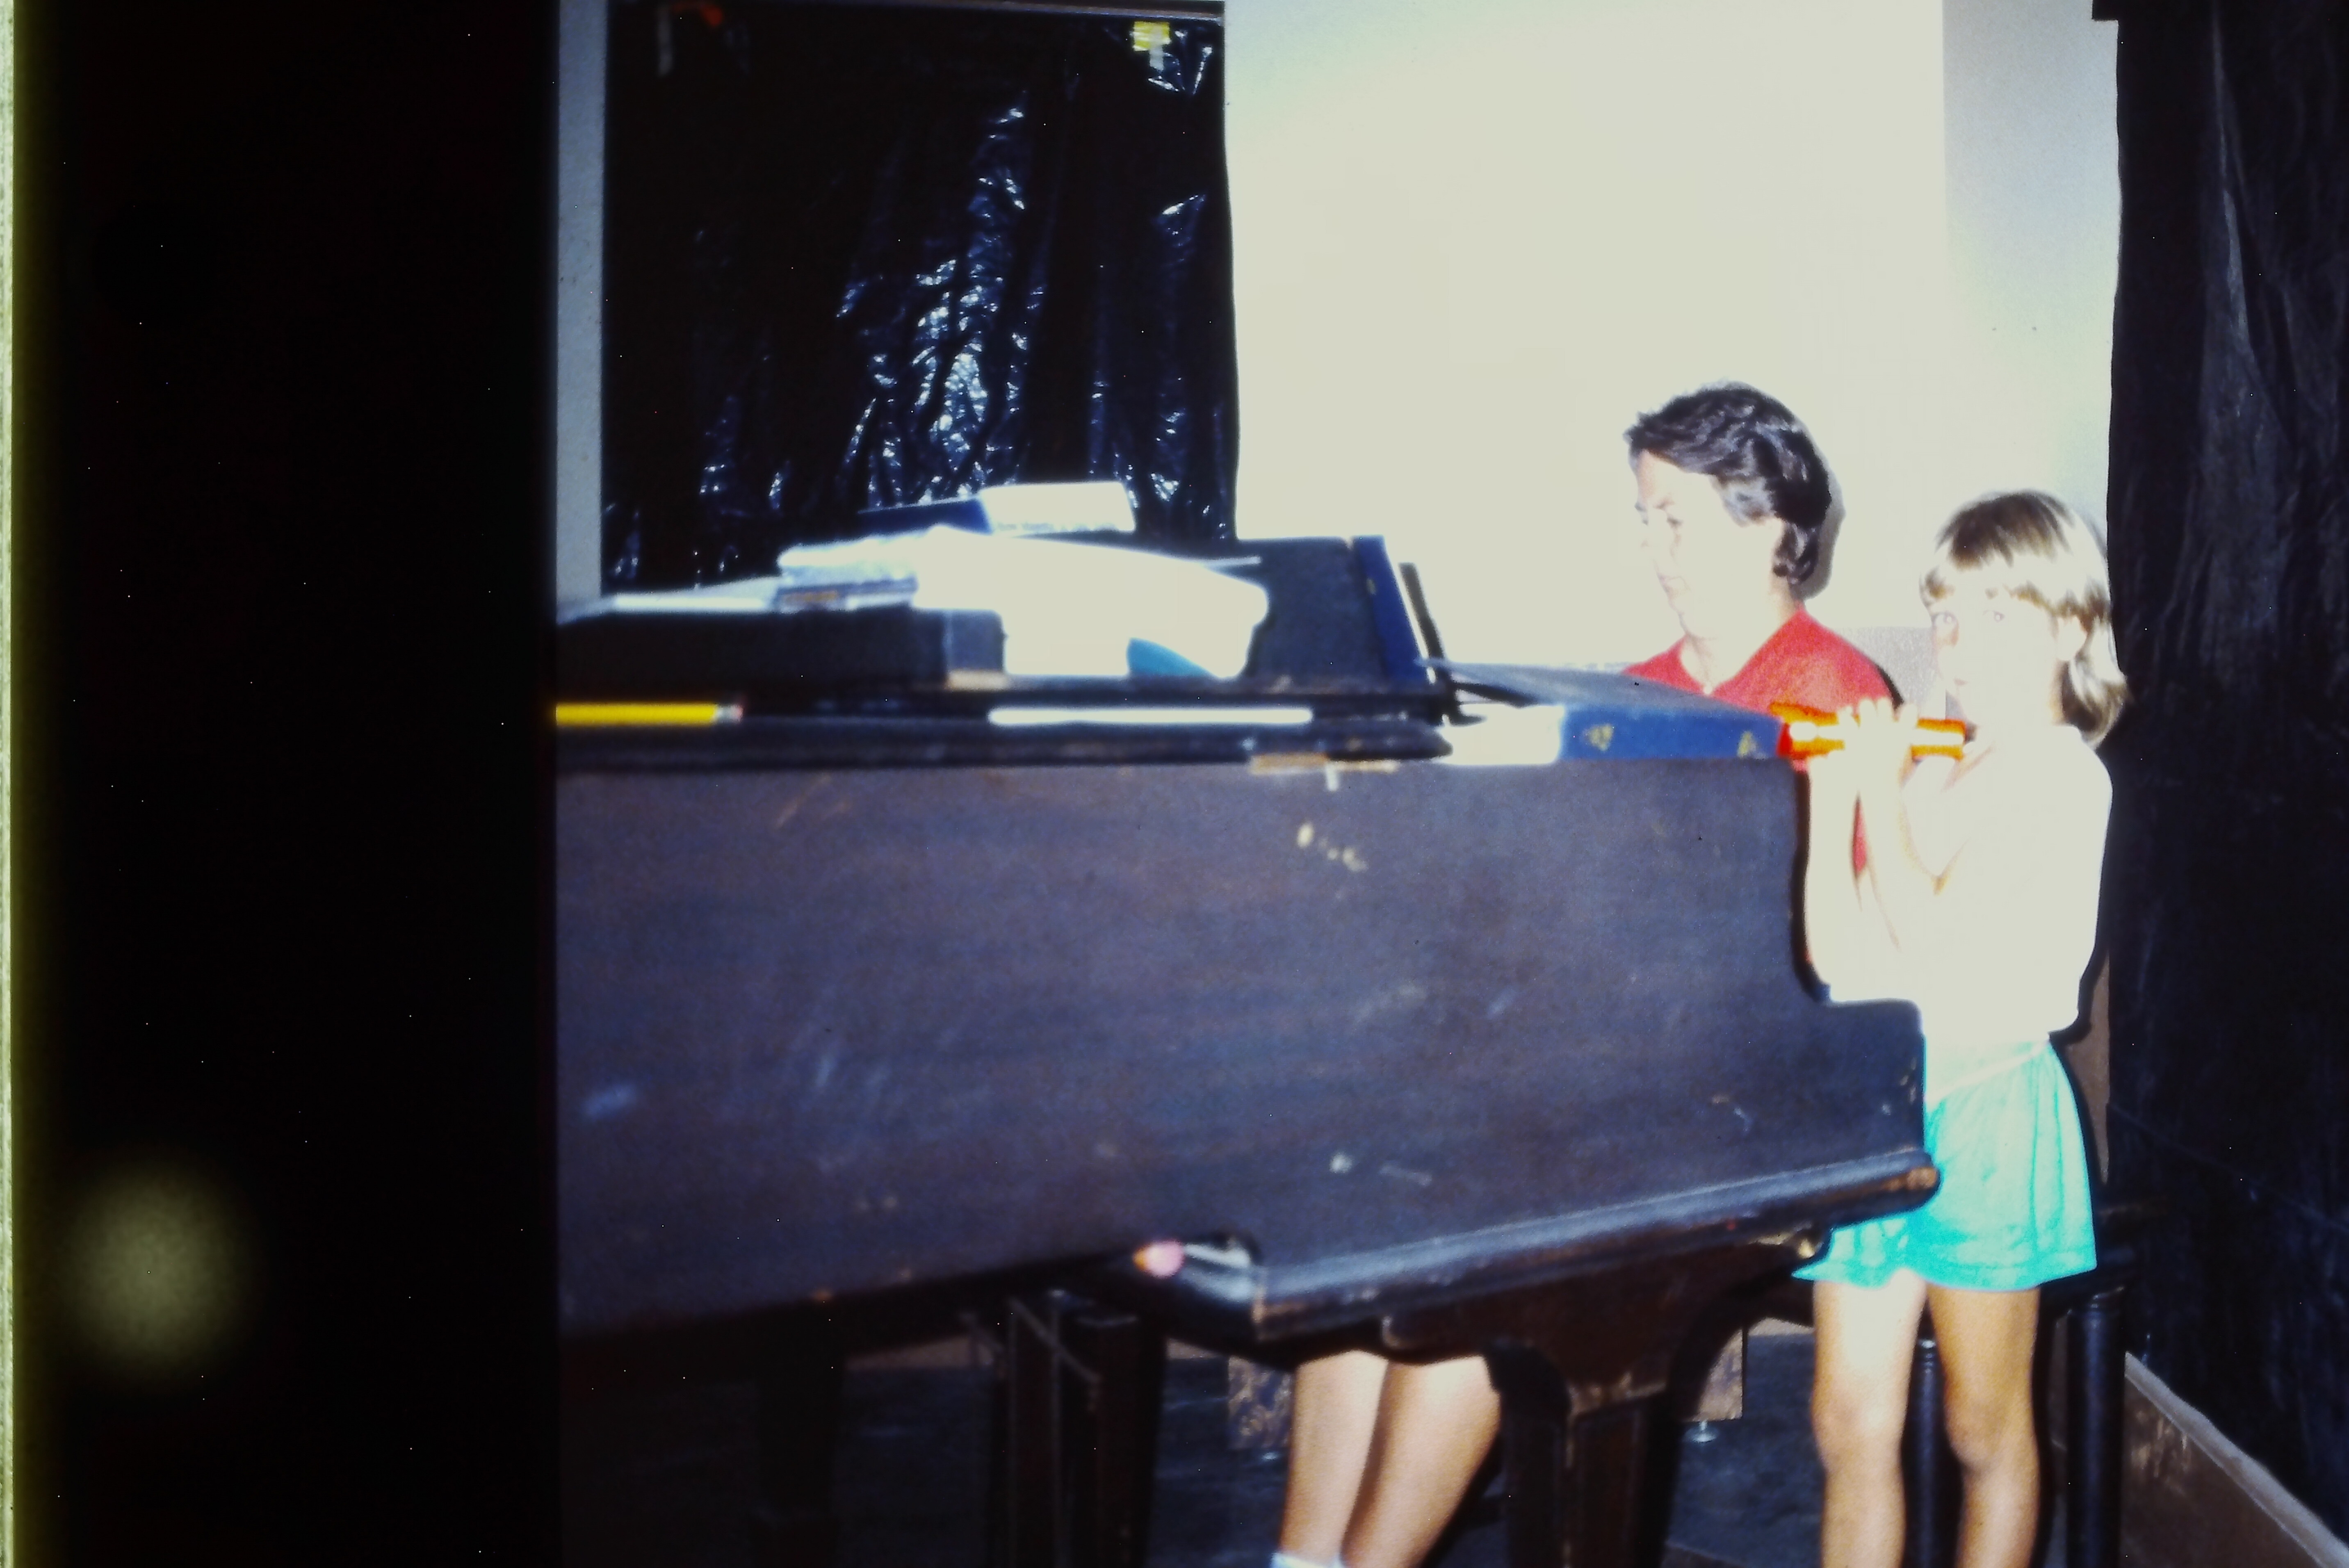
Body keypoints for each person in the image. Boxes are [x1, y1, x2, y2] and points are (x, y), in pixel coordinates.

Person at [1271, 383, 1890, 1568]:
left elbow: (1828, 954)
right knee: (1370, 1210)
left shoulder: (1833, 693)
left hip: (1757, 1082)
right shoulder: (1634, 687)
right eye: (1644, 519)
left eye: (1677, 519)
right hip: (1617, 1066)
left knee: (1499, 1240)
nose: (1654, 549)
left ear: (1768, 527)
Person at [1799, 492, 2123, 1568]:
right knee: (1848, 1422)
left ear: (2072, 628)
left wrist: (1879, 797)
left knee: (1982, 1430)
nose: (1958, 645)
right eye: (1944, 616)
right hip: (1883, 1106)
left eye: (1995, 615)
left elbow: (1937, 942)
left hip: (1986, 1108)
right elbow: (1844, 958)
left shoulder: (2063, 777)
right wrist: (1838, 803)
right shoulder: (1939, 767)